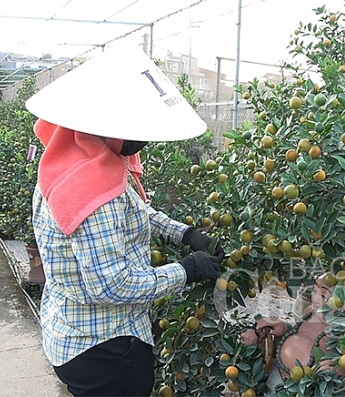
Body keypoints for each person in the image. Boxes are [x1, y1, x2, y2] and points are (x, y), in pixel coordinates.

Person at [25, 46, 223, 396]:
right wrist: (186, 270)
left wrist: (184, 233)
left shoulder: (78, 164)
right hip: (105, 348)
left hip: (75, 333)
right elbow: (111, 286)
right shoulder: (89, 191)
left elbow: (132, 210)